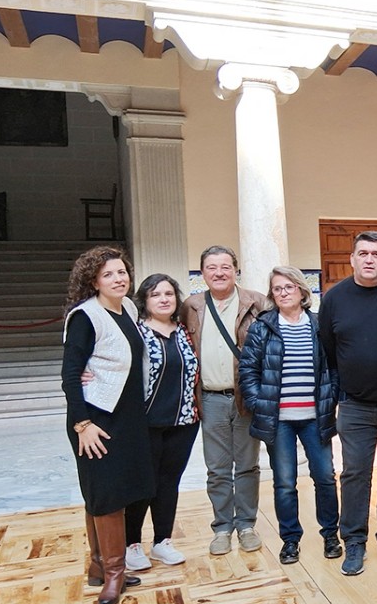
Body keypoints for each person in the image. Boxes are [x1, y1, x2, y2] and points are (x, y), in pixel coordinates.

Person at [61, 245, 154, 604]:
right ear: (93, 281)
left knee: (110, 492)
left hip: (127, 414)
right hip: (95, 417)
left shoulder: (128, 308)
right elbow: (70, 374)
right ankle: (113, 576)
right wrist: (82, 423)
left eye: (122, 272)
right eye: (109, 274)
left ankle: (99, 565)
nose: (119, 279)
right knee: (106, 494)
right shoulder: (84, 316)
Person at [239, 266, 339, 565]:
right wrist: (260, 402)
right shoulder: (263, 326)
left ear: (301, 290)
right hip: (278, 419)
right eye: (277, 289)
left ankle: (331, 535)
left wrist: (330, 396)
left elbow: (333, 368)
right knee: (284, 482)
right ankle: (291, 540)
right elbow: (248, 369)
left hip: (315, 417)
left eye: (288, 287)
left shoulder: (319, 325)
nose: (283, 293)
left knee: (325, 477)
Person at [318, 231, 377, 576]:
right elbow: (327, 351)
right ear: (352, 259)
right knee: (355, 474)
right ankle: (354, 541)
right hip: (355, 405)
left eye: (376, 254)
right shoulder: (335, 298)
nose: (369, 259)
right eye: (363, 253)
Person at [179, 245, 268, 556]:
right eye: (212, 267)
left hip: (245, 397)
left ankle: (246, 524)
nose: (219, 273)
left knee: (247, 465)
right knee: (217, 468)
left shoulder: (255, 302)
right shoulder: (191, 306)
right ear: (202, 273)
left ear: (236, 270)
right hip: (210, 398)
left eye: (225, 267)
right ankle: (222, 527)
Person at [123, 274, 201, 571]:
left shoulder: (184, 331)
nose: (164, 299)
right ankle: (131, 544)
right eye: (156, 295)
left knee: (169, 482)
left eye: (169, 293)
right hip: (146, 423)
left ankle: (162, 542)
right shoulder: (136, 332)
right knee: (144, 484)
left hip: (183, 420)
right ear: (145, 300)